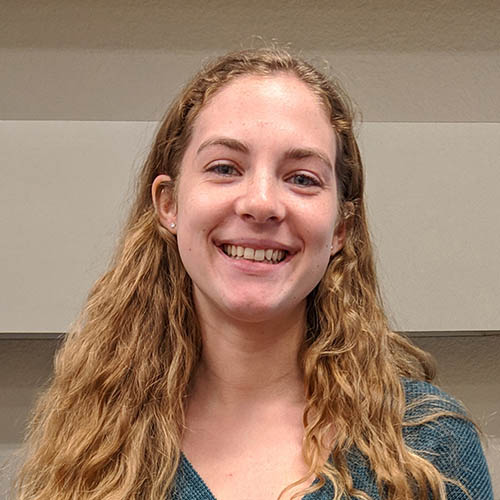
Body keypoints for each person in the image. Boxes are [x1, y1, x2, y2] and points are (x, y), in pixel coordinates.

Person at [16, 48, 492, 500]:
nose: (261, 203)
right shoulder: (89, 444)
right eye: (225, 168)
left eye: (302, 178)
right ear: (169, 204)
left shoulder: (429, 446)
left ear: (341, 227)